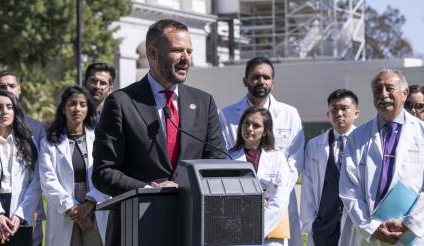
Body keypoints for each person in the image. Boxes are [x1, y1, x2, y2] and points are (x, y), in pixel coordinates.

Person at [92, 19, 227, 246]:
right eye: (177, 50)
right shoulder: (122, 102)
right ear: (153, 53)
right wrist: (149, 190)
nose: (186, 58)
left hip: (191, 229)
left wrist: (186, 187)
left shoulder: (203, 102)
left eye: (189, 51)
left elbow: (217, 162)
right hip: (137, 228)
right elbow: (104, 173)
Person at [219, 56, 305, 246]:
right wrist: (248, 197)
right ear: (245, 81)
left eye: (266, 77)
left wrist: (276, 191)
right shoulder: (226, 114)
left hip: (278, 203)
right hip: (238, 204)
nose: (261, 82)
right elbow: (224, 158)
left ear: (273, 83)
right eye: (255, 77)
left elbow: (296, 160)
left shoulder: (289, 114)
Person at [339, 69, 424, 245]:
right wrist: (372, 228)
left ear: (405, 93)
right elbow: (349, 189)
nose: (383, 94)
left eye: (389, 88)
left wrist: (409, 224)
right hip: (372, 233)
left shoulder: (421, 132)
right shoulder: (357, 137)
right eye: (378, 90)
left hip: (413, 234)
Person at [39, 86, 109, 246]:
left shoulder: (99, 137)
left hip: (95, 204)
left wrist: (89, 205)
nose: (77, 108)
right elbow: (48, 181)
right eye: (72, 104)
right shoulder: (49, 142)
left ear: (88, 109)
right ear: (63, 108)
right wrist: (74, 210)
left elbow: (106, 172)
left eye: (82, 104)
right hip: (64, 208)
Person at [0, 70, 46, 246]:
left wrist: (23, 213)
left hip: (24, 210)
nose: (4, 111)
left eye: (9, 107)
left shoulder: (31, 136)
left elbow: (37, 179)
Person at [300, 89, 360, 246]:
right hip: (324, 226)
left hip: (355, 222)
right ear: (328, 115)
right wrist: (311, 223)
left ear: (356, 113)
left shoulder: (365, 142)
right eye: (334, 109)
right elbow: (308, 186)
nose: (339, 113)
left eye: (344, 108)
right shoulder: (314, 145)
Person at [229, 106, 293, 246]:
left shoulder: (277, 158)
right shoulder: (227, 158)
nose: (249, 128)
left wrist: (256, 229)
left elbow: (280, 200)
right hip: (236, 232)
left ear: (265, 132)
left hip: (269, 234)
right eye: (246, 123)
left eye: (256, 125)